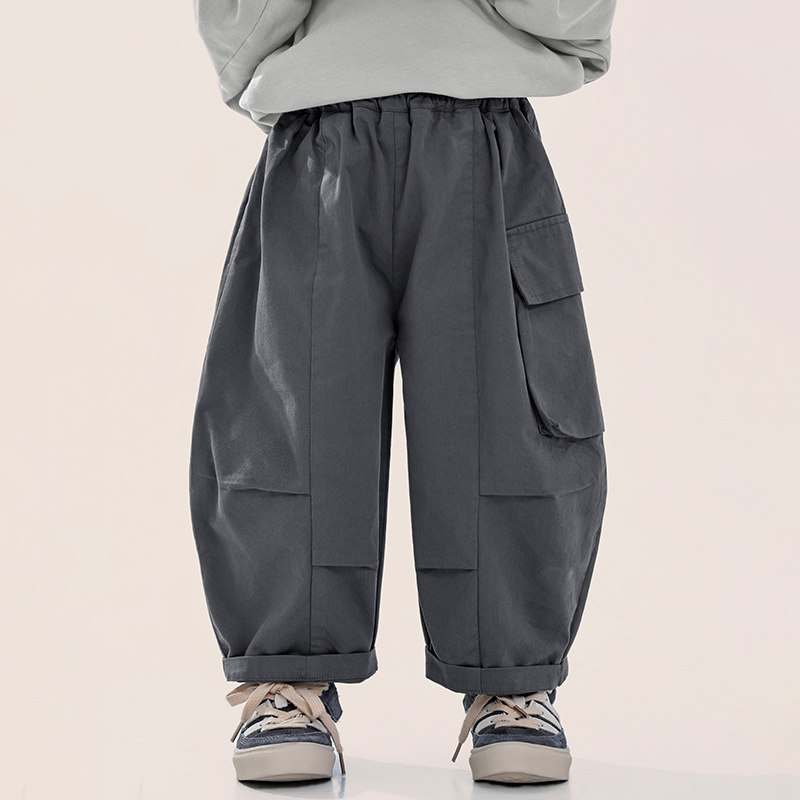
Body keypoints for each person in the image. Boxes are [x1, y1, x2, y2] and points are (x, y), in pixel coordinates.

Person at [189, 0, 617, 785]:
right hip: (318, 136)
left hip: (485, 133)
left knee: (506, 413)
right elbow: (235, 27)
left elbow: (576, 16)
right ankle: (286, 680)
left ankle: (513, 684)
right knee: (292, 415)